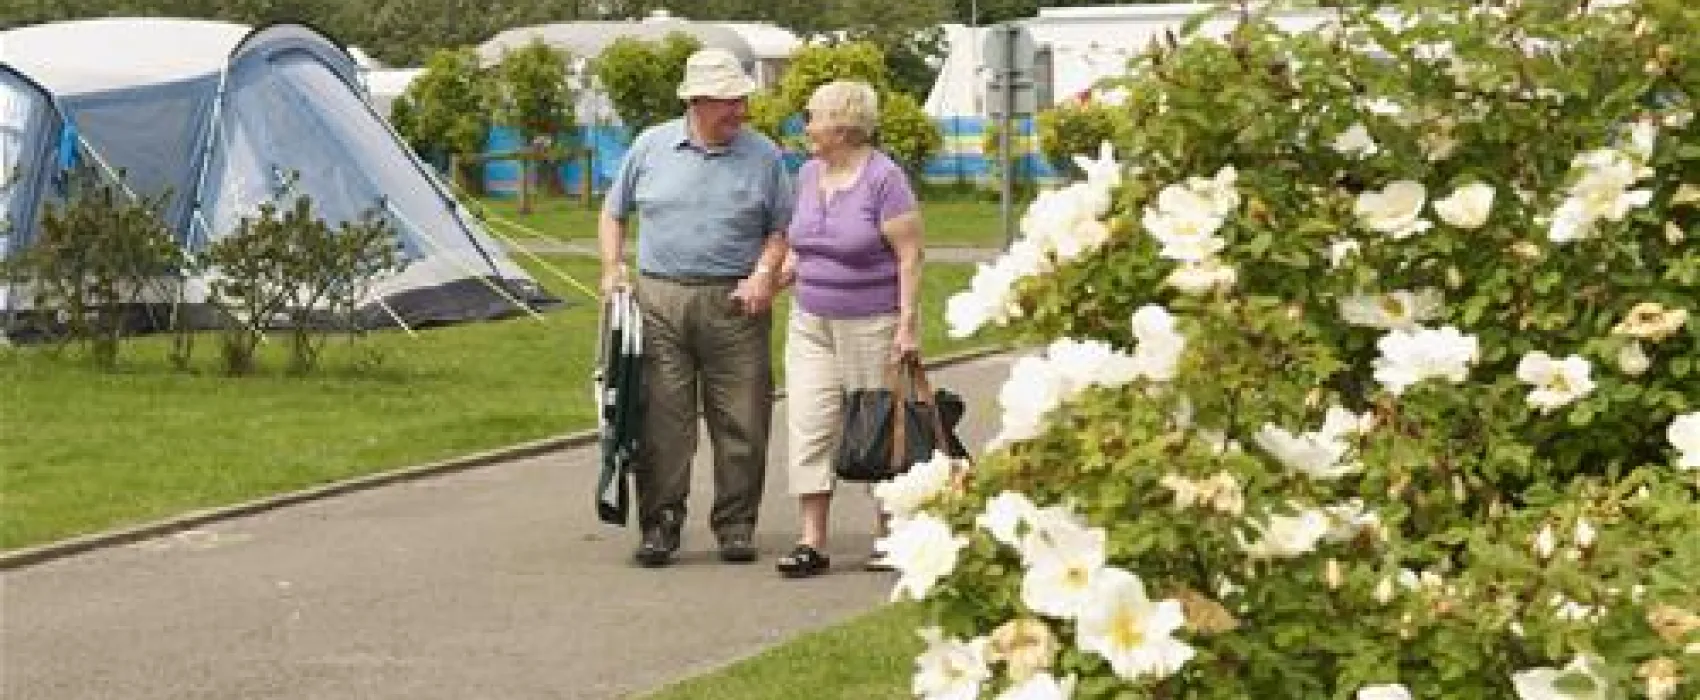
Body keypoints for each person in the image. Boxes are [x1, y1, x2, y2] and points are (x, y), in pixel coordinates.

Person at [598, 48, 795, 568]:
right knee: (662, 421)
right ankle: (660, 525)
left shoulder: (764, 155)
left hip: (737, 302)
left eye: (742, 101)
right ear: (698, 102)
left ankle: (736, 525)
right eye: (729, 103)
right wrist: (612, 267)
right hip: (660, 298)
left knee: (744, 419)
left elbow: (781, 230)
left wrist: (764, 274)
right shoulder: (651, 146)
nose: (740, 112)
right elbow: (614, 213)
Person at [773, 80, 925, 578]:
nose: (806, 127)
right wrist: (777, 278)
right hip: (810, 320)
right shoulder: (809, 174)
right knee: (810, 424)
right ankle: (811, 541)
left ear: (842, 125)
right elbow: (802, 242)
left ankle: (890, 534)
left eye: (812, 117)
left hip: (872, 321)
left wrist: (907, 325)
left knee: (876, 428)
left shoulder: (885, 179)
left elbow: (909, 255)